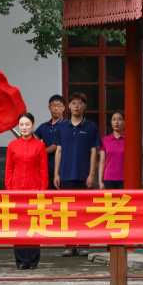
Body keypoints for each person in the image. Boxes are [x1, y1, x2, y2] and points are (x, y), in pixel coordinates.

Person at [54, 91, 101, 256]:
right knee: (66, 211)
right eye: (73, 103)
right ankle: (69, 245)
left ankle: (83, 244)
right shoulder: (62, 127)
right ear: (68, 106)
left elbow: (94, 152)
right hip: (65, 174)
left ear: (84, 106)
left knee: (84, 211)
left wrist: (92, 174)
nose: (76, 106)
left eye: (79, 103)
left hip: (83, 175)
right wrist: (56, 174)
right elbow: (58, 151)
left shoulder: (91, 127)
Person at [6, 112, 48, 270]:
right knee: (19, 225)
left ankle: (33, 260)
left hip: (34, 189)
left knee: (34, 224)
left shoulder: (40, 145)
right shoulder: (12, 145)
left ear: (33, 125)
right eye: (21, 125)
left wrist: (42, 190)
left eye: (27, 124)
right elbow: (9, 169)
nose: (24, 127)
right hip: (16, 190)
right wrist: (9, 189)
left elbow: (43, 169)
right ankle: (21, 260)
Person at [35, 94, 67, 184]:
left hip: (62, 169)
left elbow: (56, 146)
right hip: (45, 167)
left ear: (64, 108)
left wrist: (40, 153)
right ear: (49, 107)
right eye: (53, 105)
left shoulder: (67, 125)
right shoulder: (44, 126)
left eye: (59, 105)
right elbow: (33, 139)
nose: (56, 108)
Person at [99, 111, 126, 189]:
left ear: (124, 122)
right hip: (108, 178)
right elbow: (102, 162)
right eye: (114, 119)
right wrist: (100, 181)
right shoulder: (105, 140)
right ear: (111, 122)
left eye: (119, 119)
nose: (116, 122)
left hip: (124, 178)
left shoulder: (129, 140)